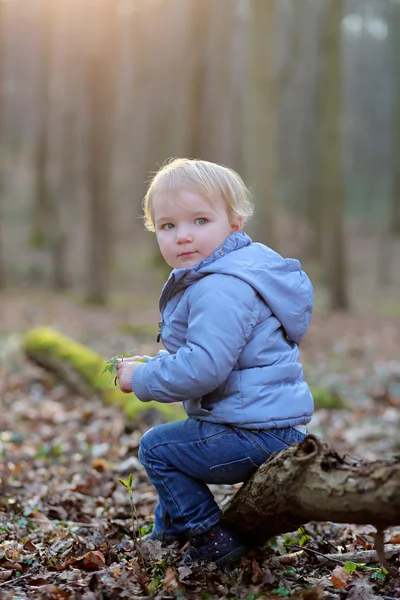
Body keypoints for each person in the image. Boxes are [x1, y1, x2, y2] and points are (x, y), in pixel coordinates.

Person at [116, 158, 314, 567]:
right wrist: (152, 364)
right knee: (174, 446)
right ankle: (167, 539)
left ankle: (211, 537)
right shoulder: (231, 272)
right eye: (169, 226)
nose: (183, 236)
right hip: (266, 425)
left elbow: (205, 366)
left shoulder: (220, 286)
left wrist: (142, 378)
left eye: (200, 220)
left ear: (234, 221)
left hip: (253, 432)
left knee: (157, 448)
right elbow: (214, 353)